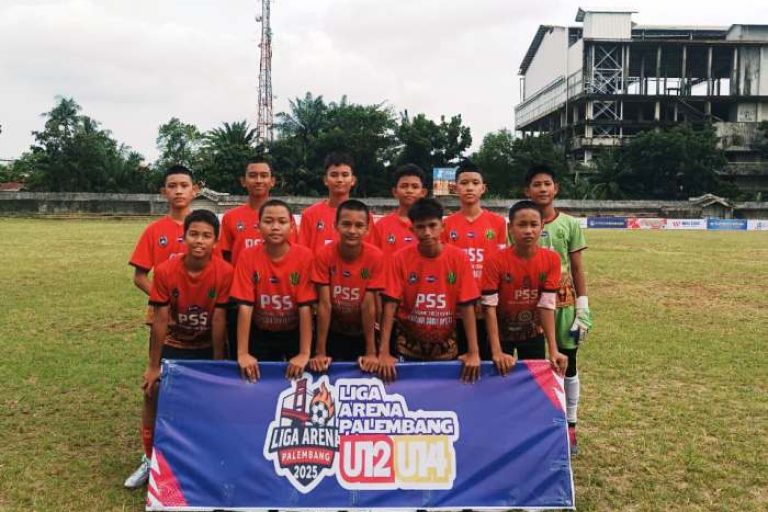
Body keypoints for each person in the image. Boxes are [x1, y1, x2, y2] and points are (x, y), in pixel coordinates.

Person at [124, 164, 198, 489]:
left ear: (195, 189)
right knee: (154, 388)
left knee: (201, 391)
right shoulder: (155, 231)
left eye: (184, 185)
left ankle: (194, 457)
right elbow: (139, 275)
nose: (179, 190)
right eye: (173, 185)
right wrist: (163, 298)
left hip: (203, 324)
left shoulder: (206, 227)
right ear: (164, 192)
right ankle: (149, 457)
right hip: (164, 323)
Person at [525, 164, 592, 455]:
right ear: (527, 191)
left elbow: (577, 268)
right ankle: (542, 426)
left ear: (556, 188)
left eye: (547, 183)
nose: (542, 188)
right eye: (536, 184)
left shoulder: (569, 225)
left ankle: (570, 426)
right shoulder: (519, 224)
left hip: (563, 306)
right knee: (537, 367)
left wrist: (583, 306)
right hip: (530, 306)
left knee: (568, 365)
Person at [378, 198, 481, 383]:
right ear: (412, 230)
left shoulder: (459, 258)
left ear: (443, 226)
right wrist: (384, 353)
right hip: (407, 347)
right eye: (420, 227)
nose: (427, 232)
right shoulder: (399, 259)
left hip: (447, 347)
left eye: (432, 225)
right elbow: (390, 305)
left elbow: (467, 306)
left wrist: (473, 352)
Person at [229, 200, 316, 382]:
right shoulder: (248, 255)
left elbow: (305, 307)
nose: (275, 227)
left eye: (282, 222)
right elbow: (245, 306)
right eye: (268, 221)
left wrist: (304, 353)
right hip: (260, 331)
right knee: (255, 380)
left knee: (301, 379)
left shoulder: (305, 256)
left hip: (294, 331)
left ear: (292, 226)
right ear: (258, 225)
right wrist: (243, 353)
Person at [219, 157, 297, 358]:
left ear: (273, 181)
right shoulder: (231, 217)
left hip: (278, 301)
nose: (258, 180)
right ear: (243, 181)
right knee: (244, 359)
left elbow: (295, 258)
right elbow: (224, 259)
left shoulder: (285, 218)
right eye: (253, 175)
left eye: (264, 175)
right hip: (241, 301)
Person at [481, 201, 568, 377]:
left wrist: (553, 349)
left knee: (532, 382)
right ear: (510, 228)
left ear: (542, 226)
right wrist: (496, 351)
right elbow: (489, 308)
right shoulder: (494, 261)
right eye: (522, 225)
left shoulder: (552, 260)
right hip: (500, 334)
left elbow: (547, 306)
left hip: (532, 334)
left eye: (534, 224)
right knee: (495, 383)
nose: (528, 231)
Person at [441, 160, 507, 359]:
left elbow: (500, 264)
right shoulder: (446, 224)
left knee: (488, 362)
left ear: (483, 188)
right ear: (455, 187)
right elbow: (445, 268)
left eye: (475, 183)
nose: (470, 187)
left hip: (488, 305)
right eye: (464, 183)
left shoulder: (497, 222)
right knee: (459, 363)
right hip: (457, 308)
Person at [309, 200, 383, 373]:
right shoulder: (323, 254)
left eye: (359, 225)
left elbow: (369, 305)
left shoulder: (375, 257)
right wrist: (320, 352)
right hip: (333, 329)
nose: (352, 231)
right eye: (346, 224)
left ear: (367, 228)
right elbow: (324, 304)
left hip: (363, 331)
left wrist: (371, 352)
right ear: (336, 225)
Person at [298, 152, 359, 253]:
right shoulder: (309, 215)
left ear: (353, 180)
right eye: (334, 175)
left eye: (345, 175)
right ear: (325, 180)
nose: (339, 180)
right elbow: (302, 254)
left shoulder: (363, 216)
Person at [370, 163, 428, 257]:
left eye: (415, 187)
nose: (409, 190)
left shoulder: (431, 226)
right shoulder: (381, 226)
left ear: (423, 192)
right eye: (404, 186)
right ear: (395, 192)